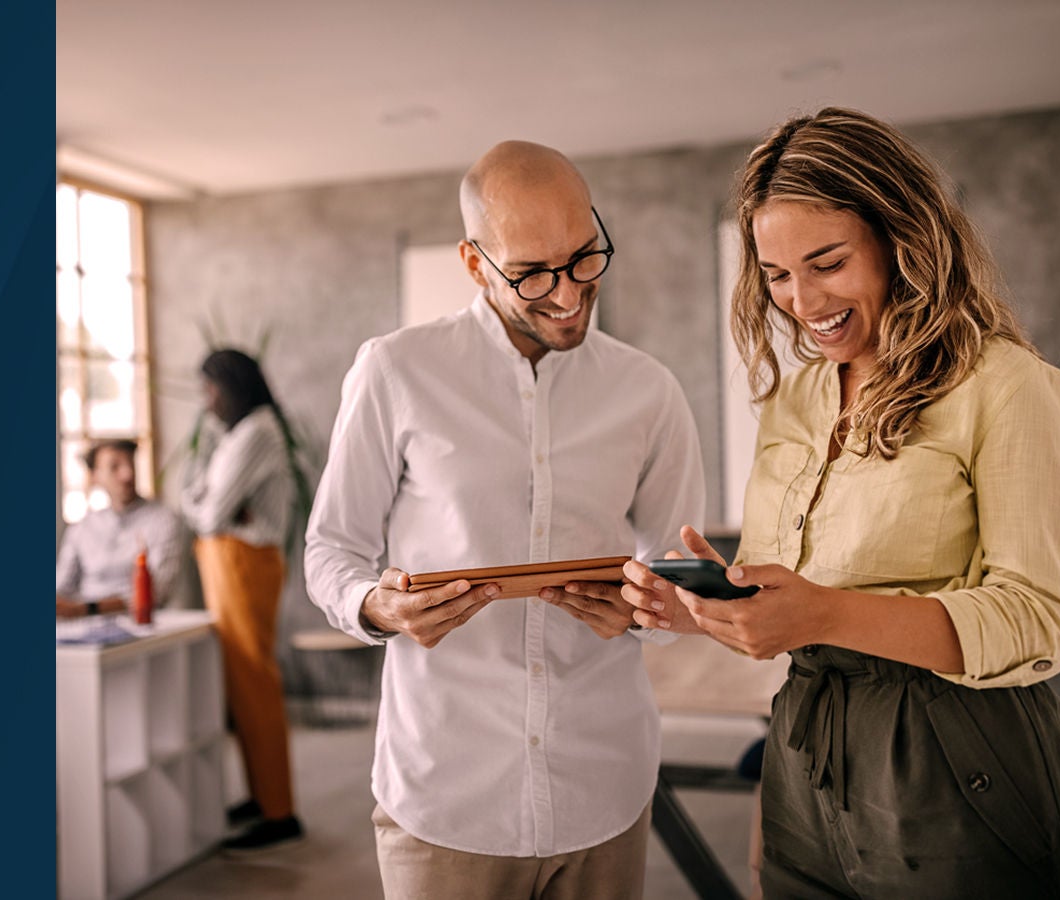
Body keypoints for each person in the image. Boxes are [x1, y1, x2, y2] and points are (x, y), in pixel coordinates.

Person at [623, 107, 1060, 899]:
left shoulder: (1011, 391)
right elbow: (796, 593)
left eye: (827, 263)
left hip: (959, 759)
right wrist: (709, 608)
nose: (800, 300)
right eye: (777, 275)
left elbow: (1041, 623)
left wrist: (823, 615)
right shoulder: (797, 399)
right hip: (805, 753)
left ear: (901, 238)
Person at [305, 140, 706, 899]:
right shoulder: (396, 371)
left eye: (585, 257)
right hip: (447, 794)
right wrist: (377, 606)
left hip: (604, 783)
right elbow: (332, 547)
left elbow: (681, 573)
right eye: (531, 273)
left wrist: (647, 609)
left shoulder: (649, 392)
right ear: (473, 262)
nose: (567, 293)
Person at [181, 348, 304, 852]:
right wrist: (207, 501)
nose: (207, 402)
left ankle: (279, 812)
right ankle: (262, 796)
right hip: (230, 562)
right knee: (242, 683)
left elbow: (206, 513)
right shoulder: (237, 434)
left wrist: (202, 501)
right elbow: (206, 501)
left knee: (254, 682)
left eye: (212, 389)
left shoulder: (255, 432)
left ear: (233, 386)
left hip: (243, 564)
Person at [56, 438, 187, 619]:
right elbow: (61, 587)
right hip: (83, 626)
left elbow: (156, 592)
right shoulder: (81, 528)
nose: (127, 474)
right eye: (114, 467)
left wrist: (87, 609)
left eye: (130, 464)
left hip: (140, 624)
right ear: (95, 476)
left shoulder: (163, 520)